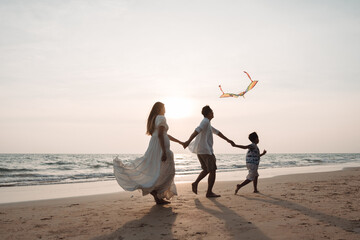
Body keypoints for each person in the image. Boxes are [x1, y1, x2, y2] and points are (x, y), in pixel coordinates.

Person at [113, 102, 184, 205]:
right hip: (159, 148)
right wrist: (164, 151)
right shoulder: (161, 118)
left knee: (155, 171)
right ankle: (156, 192)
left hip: (154, 147)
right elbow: (160, 135)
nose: (165, 110)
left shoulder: (154, 119)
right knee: (168, 172)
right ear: (160, 108)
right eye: (164, 108)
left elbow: (164, 134)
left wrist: (180, 142)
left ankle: (157, 195)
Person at [183, 105, 234, 198]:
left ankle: (195, 183)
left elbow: (217, 132)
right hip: (205, 150)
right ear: (208, 113)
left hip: (201, 150)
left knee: (206, 170)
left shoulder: (207, 123)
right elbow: (197, 130)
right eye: (211, 112)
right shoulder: (205, 121)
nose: (213, 113)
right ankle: (209, 192)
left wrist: (228, 140)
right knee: (212, 170)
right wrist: (188, 141)